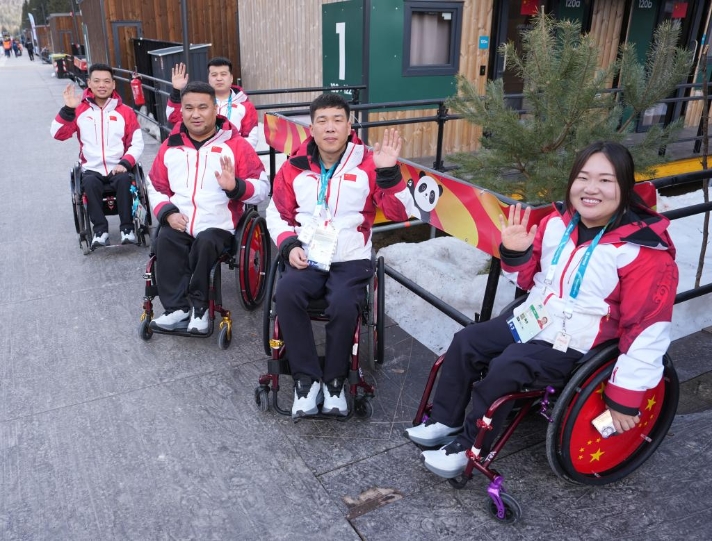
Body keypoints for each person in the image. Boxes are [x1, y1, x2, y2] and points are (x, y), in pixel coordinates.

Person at [405, 141, 679, 479]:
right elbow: (527, 279)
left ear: (624, 186)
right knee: (467, 341)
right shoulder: (556, 223)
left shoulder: (642, 253)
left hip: (579, 344)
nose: (591, 188)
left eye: (605, 180)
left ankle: (470, 446)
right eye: (583, 178)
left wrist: (625, 397)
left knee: (508, 365)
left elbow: (647, 330)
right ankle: (445, 420)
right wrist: (515, 253)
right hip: (534, 318)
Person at [266, 93, 417, 419]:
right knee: (287, 293)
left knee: (345, 303)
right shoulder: (293, 166)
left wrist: (389, 173)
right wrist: (289, 245)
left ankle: (335, 381)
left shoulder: (369, 163)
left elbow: (400, 212)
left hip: (351, 257)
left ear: (350, 127)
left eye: (337, 120)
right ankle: (307, 381)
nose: (330, 127)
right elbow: (277, 212)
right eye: (322, 121)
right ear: (312, 128)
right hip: (308, 253)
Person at [146, 81, 269, 334]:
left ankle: (200, 308)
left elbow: (262, 187)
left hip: (218, 225)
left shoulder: (236, 145)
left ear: (215, 109)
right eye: (189, 108)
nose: (196, 114)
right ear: (181, 111)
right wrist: (167, 213)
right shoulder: (171, 145)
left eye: (203, 107)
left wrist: (236, 187)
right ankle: (176, 308)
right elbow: (155, 185)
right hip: (180, 220)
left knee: (205, 243)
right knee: (165, 239)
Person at [51, 63, 144, 247]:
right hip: (91, 168)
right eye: (97, 81)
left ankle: (127, 228)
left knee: (124, 181)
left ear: (113, 84)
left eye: (106, 81)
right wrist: (68, 109)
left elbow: (137, 142)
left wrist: (125, 163)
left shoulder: (125, 112)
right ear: (89, 83)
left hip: (118, 166)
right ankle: (100, 231)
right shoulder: (79, 110)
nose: (102, 85)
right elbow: (57, 134)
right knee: (90, 184)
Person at [166, 58, 259, 149]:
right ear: (209, 78)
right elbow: (173, 119)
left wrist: (231, 153)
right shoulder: (197, 101)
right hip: (201, 153)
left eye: (223, 74)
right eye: (214, 75)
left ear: (231, 78)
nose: (219, 78)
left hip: (231, 156)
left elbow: (251, 139)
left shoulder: (245, 106)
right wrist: (177, 91)